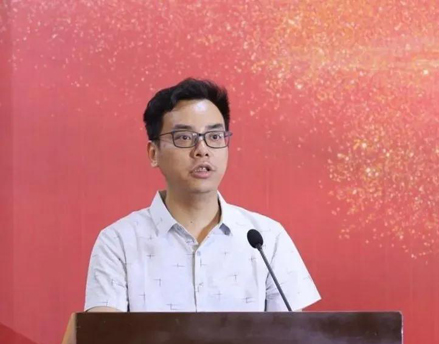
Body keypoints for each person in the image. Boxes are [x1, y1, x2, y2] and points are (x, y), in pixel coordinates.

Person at [84, 78, 321, 313]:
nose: (202, 150)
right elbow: (102, 335)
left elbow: (293, 335)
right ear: (154, 153)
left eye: (214, 137)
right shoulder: (118, 242)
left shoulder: (267, 238)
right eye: (184, 137)